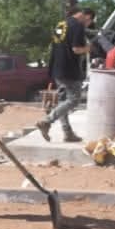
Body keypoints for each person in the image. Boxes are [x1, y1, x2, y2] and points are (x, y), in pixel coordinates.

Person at [37, 7, 93, 143]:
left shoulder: (60, 25)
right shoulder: (78, 26)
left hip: (57, 68)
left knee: (63, 102)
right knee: (74, 99)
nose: (88, 25)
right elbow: (76, 49)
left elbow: (57, 46)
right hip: (69, 70)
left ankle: (68, 133)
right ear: (87, 16)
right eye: (89, 22)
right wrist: (88, 48)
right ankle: (47, 120)